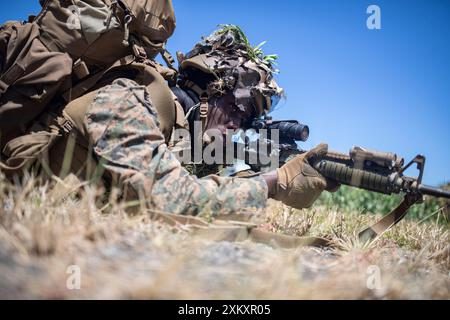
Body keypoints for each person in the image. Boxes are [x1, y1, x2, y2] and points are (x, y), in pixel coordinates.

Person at [5, 23, 335, 217]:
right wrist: (275, 183)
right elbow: (176, 200)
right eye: (239, 109)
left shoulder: (173, 132)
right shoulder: (128, 100)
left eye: (249, 118)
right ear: (210, 88)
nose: (240, 124)